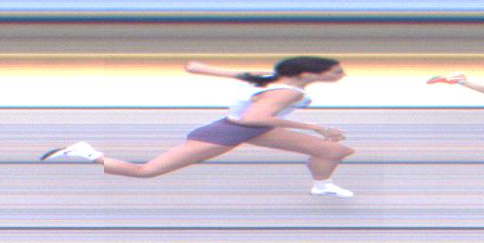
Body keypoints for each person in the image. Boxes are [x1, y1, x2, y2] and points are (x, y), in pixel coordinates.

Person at [40, 56, 358, 197]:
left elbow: (193, 67)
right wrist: (315, 126)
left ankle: (321, 185)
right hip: (227, 133)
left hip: (250, 131)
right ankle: (86, 152)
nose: (341, 75)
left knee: (335, 151)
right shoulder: (288, 92)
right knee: (146, 171)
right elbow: (251, 119)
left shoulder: (267, 78)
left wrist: (221, 72)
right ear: (307, 74)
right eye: (335, 72)